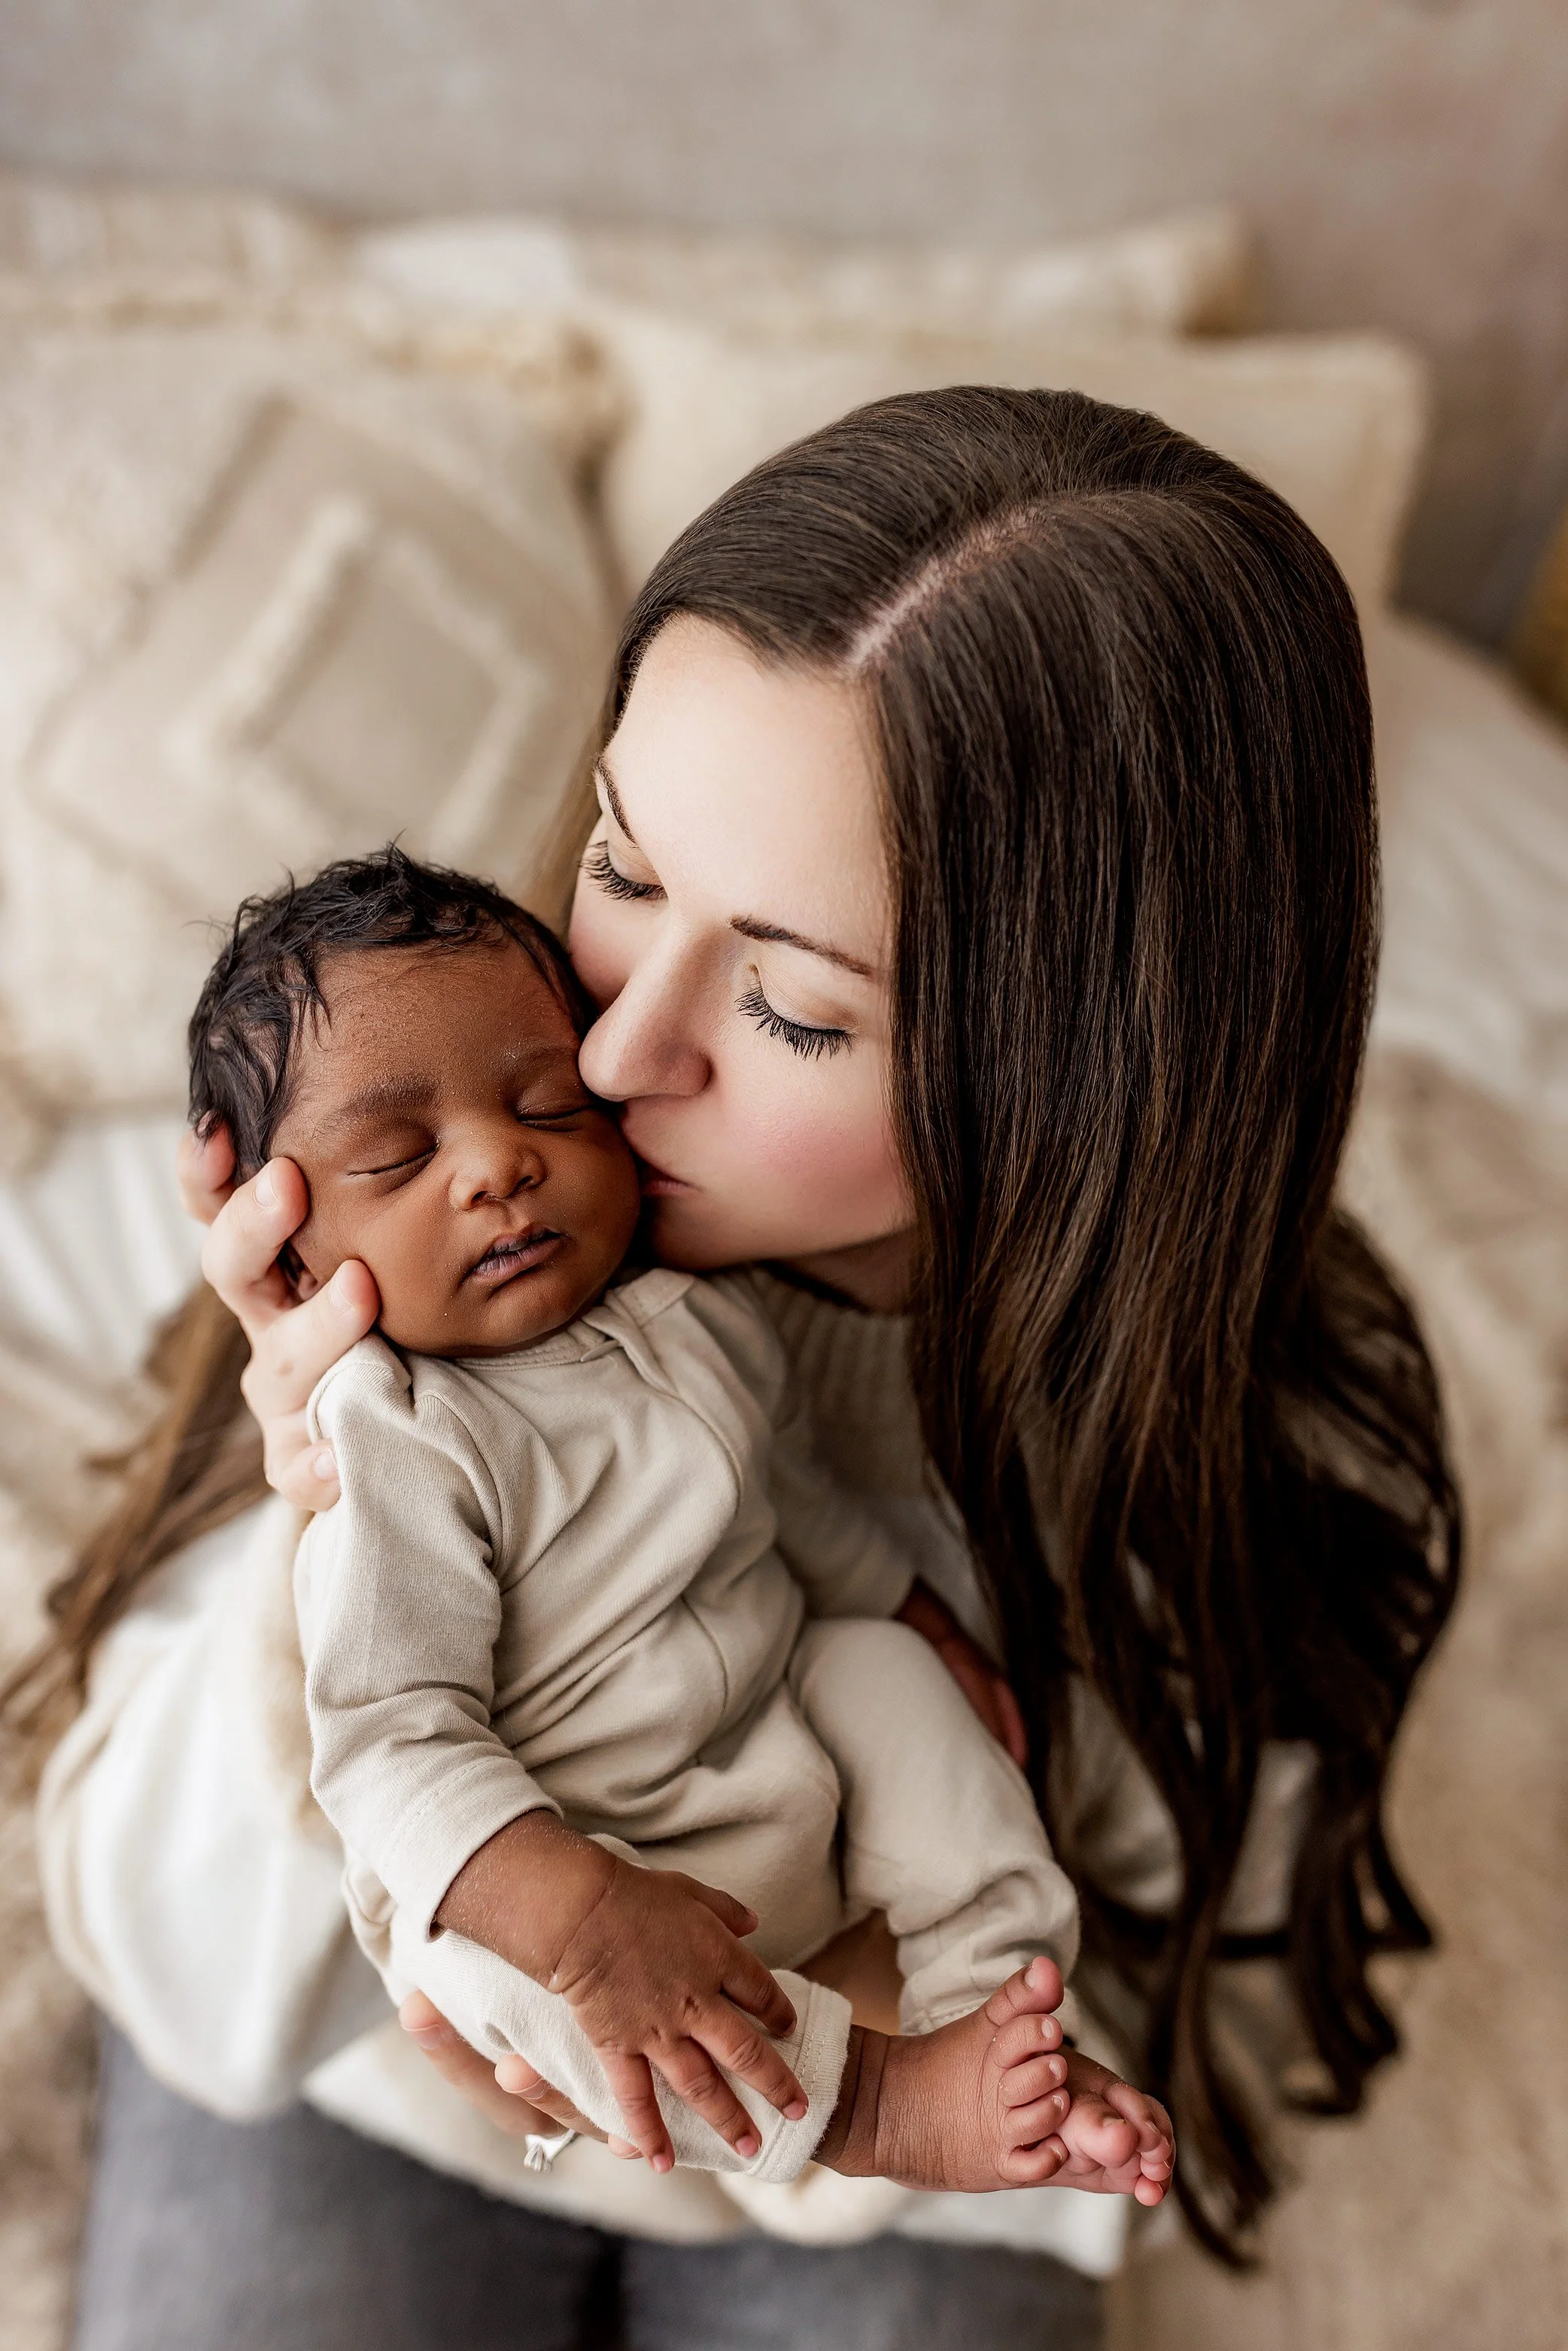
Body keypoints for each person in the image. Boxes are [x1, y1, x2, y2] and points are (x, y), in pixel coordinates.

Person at [28, 386, 1459, 2351]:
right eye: (621, 865)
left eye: (789, 1001)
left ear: (1079, 1076)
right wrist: (312, 1508)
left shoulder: (1252, 1418)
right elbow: (192, 1968)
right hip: (381, 2061)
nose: (610, 1060)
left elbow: (1190, 1901)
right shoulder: (438, 1181)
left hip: (904, 2109)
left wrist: (843, 1998)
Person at [186, 844, 1173, 2197]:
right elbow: (385, 1748)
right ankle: (876, 2105)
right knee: (460, 1955)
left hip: (774, 1748)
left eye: (545, 1102)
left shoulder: (699, 1312)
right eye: (400, 1157)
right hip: (567, 1863)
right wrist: (584, 1921)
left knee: (876, 1670)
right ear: (292, 1249)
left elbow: (794, 1505)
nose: (497, 1167)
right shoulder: (394, 1438)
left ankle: (1000, 2008)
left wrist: (913, 1610)